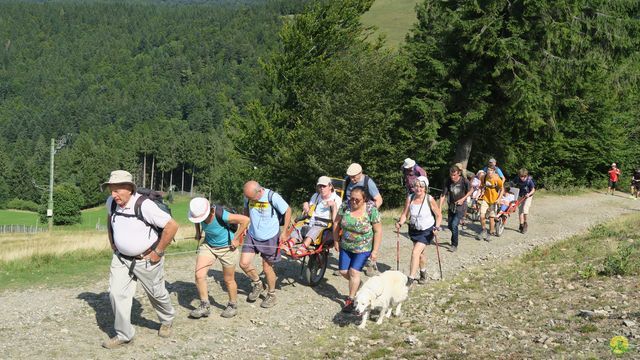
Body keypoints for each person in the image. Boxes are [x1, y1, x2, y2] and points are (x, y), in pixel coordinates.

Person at [101, 170, 178, 349]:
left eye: (117, 190)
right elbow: (109, 219)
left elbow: (172, 226)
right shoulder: (111, 203)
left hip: (147, 259)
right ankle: (124, 334)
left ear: (129, 188)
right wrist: (112, 241)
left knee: (156, 293)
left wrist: (157, 252)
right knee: (115, 293)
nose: (113, 195)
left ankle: (167, 320)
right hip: (120, 259)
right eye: (111, 190)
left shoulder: (145, 205)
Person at [187, 197, 250, 319]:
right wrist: (198, 232)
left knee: (228, 279)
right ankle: (205, 305)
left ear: (210, 211)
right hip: (208, 246)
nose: (201, 219)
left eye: (202, 217)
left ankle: (232, 305)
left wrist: (236, 238)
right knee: (199, 275)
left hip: (227, 248)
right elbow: (196, 220)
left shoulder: (222, 214)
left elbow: (245, 220)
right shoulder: (198, 215)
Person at [240, 181, 291, 308]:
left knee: (267, 268)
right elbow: (246, 209)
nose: (249, 199)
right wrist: (245, 225)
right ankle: (258, 283)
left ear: (259, 191)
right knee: (243, 263)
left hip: (270, 236)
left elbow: (288, 210)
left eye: (251, 197)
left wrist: (284, 232)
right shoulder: (249, 197)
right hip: (252, 235)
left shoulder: (272, 197)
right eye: (248, 198)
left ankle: (272, 294)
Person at [332, 186, 382, 313]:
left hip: (363, 247)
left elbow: (378, 231)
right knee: (343, 271)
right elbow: (337, 223)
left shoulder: (371, 210)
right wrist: (336, 240)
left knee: (354, 272)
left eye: (357, 200)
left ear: (364, 199)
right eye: (351, 198)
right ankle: (358, 284)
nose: (353, 201)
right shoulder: (345, 206)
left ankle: (350, 299)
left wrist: (375, 251)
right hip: (346, 245)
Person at [395, 176, 442, 285]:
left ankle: (410, 278)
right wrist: (400, 222)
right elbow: (404, 214)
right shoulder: (410, 198)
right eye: (416, 186)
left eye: (421, 186)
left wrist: (437, 227)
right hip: (414, 229)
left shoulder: (429, 199)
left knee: (415, 252)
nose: (418, 189)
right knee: (420, 254)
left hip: (427, 230)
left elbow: (439, 215)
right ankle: (423, 273)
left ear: (425, 188)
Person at [344, 163, 383, 276]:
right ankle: (347, 266)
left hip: (366, 214)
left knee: (369, 239)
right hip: (350, 214)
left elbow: (379, 199)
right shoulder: (347, 181)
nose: (352, 179)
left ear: (360, 173)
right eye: (350, 176)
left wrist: (369, 213)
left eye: (354, 176)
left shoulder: (368, 182)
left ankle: (371, 263)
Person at [292, 176, 342, 255]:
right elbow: (309, 213)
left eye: (324, 186)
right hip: (311, 222)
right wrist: (306, 206)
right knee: (299, 226)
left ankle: (303, 247)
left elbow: (335, 220)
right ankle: (291, 243)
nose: (322, 188)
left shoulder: (337, 199)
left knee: (315, 229)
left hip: (326, 225)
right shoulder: (316, 196)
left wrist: (334, 206)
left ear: (330, 186)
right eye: (320, 186)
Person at [439, 166, 473, 252]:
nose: (452, 177)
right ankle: (454, 236)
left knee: (454, 225)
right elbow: (443, 195)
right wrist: (439, 208)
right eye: (451, 175)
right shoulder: (448, 181)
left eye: (454, 175)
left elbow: (471, 190)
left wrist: (463, 199)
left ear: (459, 173)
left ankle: (454, 244)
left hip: (461, 206)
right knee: (450, 226)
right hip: (451, 205)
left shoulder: (464, 181)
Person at [476, 167, 504, 242]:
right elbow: (482, 186)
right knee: (482, 215)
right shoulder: (483, 177)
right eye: (488, 170)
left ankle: (491, 232)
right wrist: (480, 192)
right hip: (485, 199)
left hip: (494, 201)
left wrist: (499, 199)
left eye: (491, 170)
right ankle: (484, 229)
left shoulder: (497, 179)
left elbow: (502, 189)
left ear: (494, 171)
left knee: (491, 218)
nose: (489, 171)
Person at [512, 168, 536, 233]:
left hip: (528, 196)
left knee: (525, 209)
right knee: (520, 211)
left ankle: (525, 224)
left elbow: (533, 190)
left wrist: (529, 194)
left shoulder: (529, 181)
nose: (521, 178)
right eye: (520, 176)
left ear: (526, 176)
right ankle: (521, 225)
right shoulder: (517, 178)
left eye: (522, 176)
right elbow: (512, 183)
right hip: (521, 195)